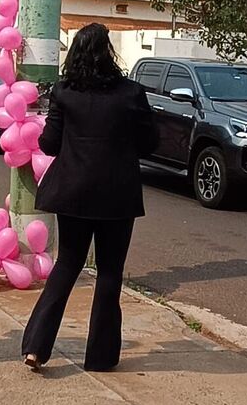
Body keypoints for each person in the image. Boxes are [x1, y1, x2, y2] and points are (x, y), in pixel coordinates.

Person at [21, 23, 158, 372]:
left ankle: (36, 346)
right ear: (108, 52)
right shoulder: (131, 93)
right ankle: (100, 357)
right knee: (110, 272)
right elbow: (151, 143)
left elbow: (49, 144)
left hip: (73, 191)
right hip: (117, 194)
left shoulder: (64, 91)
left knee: (68, 264)